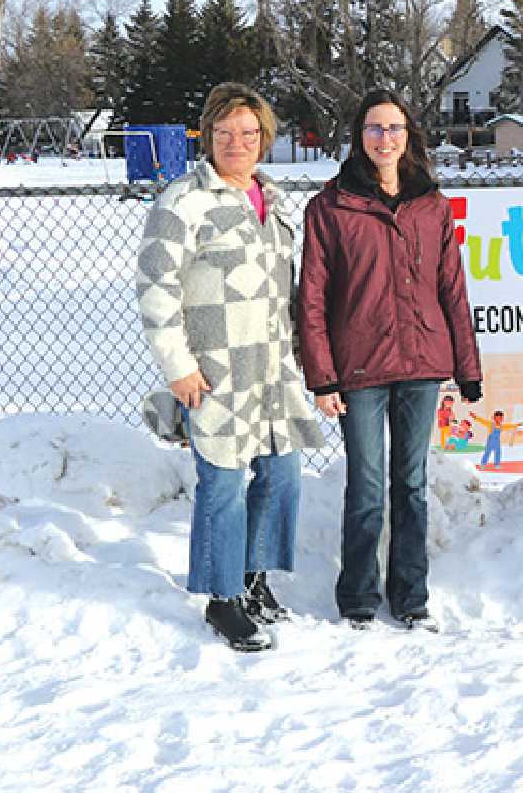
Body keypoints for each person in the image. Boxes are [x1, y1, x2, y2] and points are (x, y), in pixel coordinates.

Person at [136, 82, 325, 653]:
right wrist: (178, 367)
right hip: (214, 373)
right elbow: (155, 288)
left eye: (248, 133)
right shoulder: (182, 201)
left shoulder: (275, 198)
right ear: (208, 136)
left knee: (280, 478)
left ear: (264, 137)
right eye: (224, 133)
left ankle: (254, 581)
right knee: (222, 485)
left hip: (271, 369)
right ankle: (222, 600)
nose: (236, 143)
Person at [297, 88, 483, 631]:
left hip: (423, 363)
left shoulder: (432, 203)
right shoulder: (331, 206)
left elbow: (452, 287)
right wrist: (322, 376)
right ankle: (357, 597)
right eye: (374, 128)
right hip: (359, 367)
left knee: (412, 482)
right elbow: (312, 296)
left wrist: (466, 366)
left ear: (409, 135)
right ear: (359, 137)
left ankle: (410, 596)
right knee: (368, 485)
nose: (385, 138)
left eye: (394, 128)